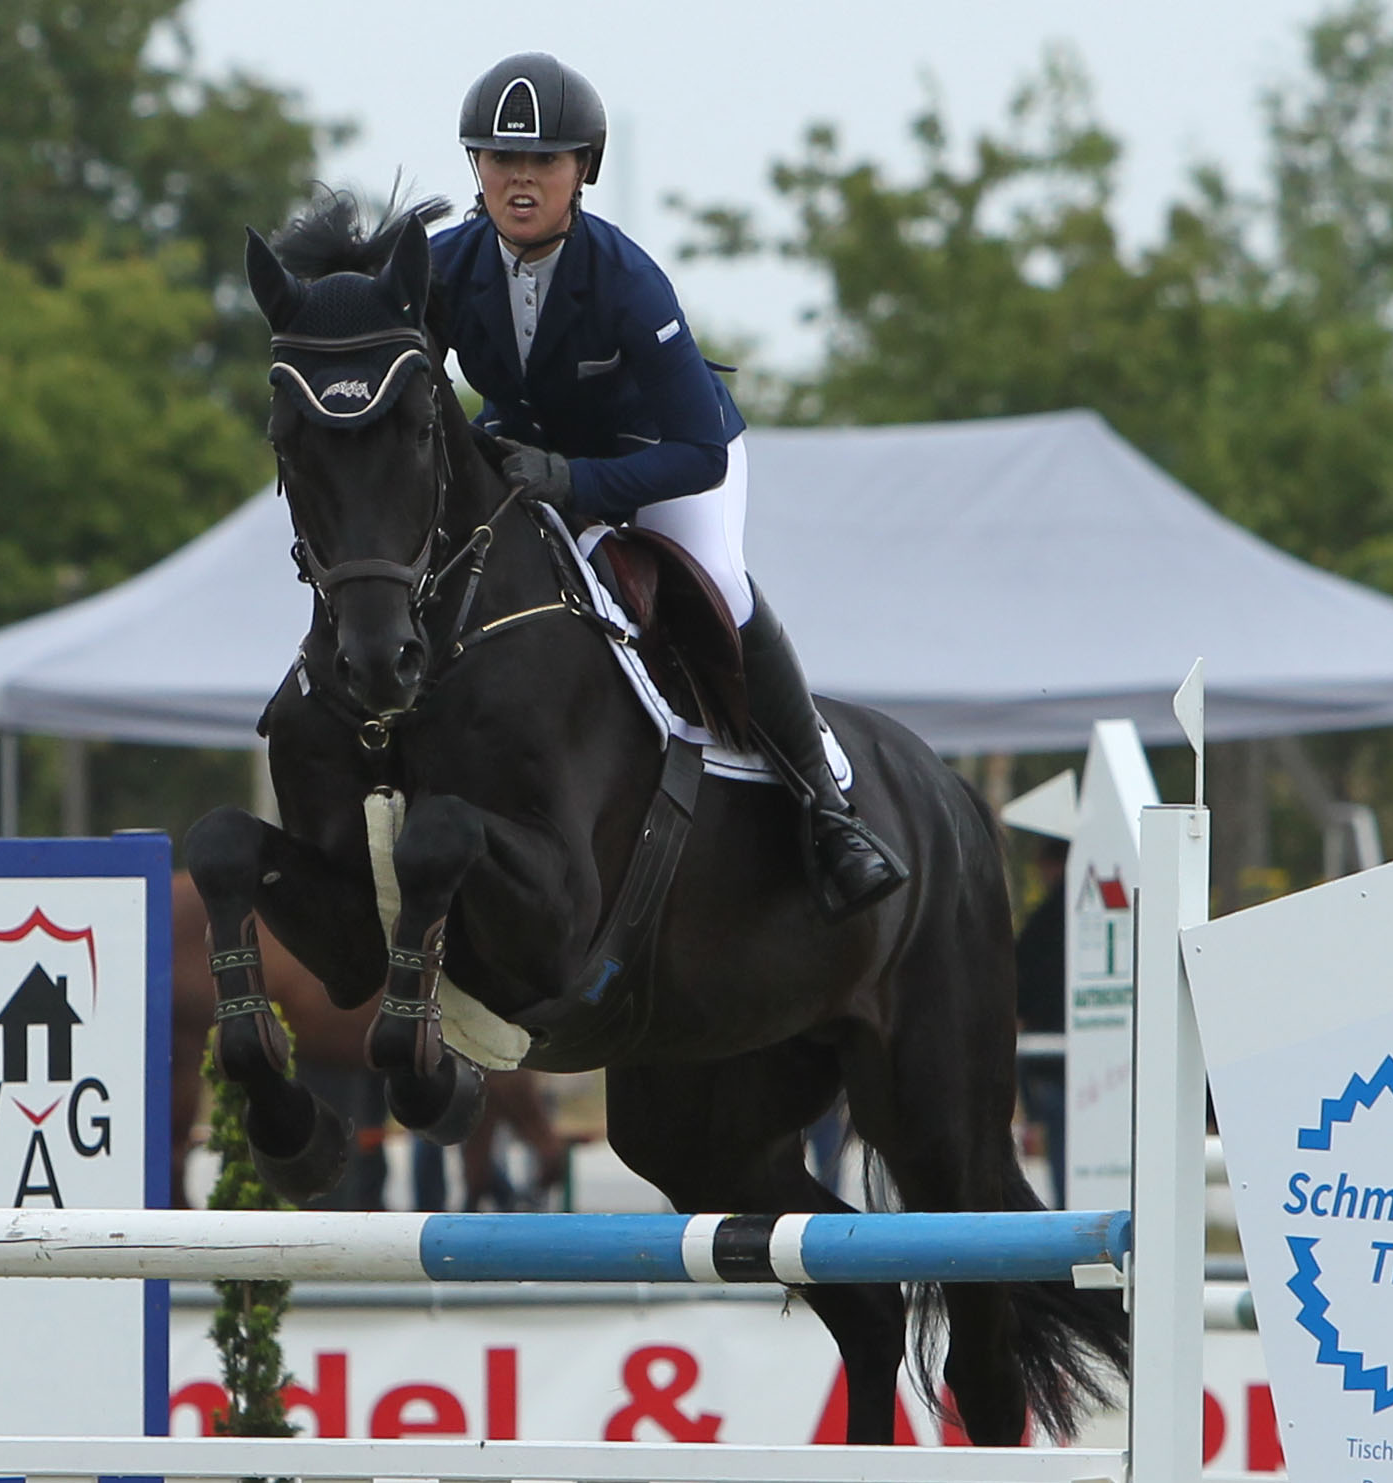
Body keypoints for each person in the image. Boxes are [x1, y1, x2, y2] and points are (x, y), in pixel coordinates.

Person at [429, 52, 906, 921]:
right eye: (502, 159)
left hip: (665, 461)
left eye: (545, 160)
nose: (521, 178)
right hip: (535, 459)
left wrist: (576, 480)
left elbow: (701, 453)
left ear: (584, 170)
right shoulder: (447, 266)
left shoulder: (627, 280)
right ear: (477, 169)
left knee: (716, 578)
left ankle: (827, 808)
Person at [1012, 835, 1068, 1207]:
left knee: (1063, 1144)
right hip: (1098, 1062)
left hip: (1052, 1062)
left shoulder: (1045, 920)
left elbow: (1018, 980)